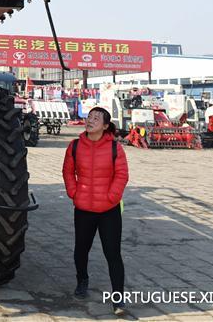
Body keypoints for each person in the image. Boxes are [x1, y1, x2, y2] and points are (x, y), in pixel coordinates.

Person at [63, 106, 129, 315]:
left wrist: (111, 197)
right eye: (89, 117)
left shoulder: (115, 148)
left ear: (106, 126)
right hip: (83, 209)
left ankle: (118, 299)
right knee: (81, 249)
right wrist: (74, 193)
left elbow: (122, 175)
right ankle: (82, 280)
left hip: (108, 210)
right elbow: (67, 171)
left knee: (113, 254)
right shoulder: (74, 146)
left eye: (96, 118)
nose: (90, 120)